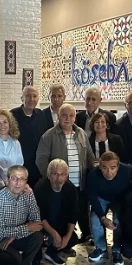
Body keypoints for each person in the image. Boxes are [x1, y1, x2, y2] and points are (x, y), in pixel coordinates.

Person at [37, 103, 96, 242]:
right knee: (61, 214)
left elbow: (89, 156)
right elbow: (41, 159)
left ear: (75, 117)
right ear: (58, 117)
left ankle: (84, 235)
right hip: (60, 185)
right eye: (64, 115)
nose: (67, 118)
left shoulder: (81, 133)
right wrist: (51, 180)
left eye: (71, 115)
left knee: (80, 211)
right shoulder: (49, 135)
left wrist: (95, 170)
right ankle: (58, 240)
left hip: (80, 182)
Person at [86, 152, 132, 265]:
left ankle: (117, 250)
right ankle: (101, 248)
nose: (108, 172)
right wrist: (102, 218)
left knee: (118, 220)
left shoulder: (128, 169)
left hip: (120, 198)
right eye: (104, 168)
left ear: (118, 167)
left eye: (112, 168)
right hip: (101, 198)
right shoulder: (93, 175)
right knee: (95, 219)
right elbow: (92, 198)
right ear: (100, 167)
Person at [0, 165, 44, 265]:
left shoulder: (28, 194)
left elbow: (37, 223)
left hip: (15, 237)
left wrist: (14, 236)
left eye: (22, 179)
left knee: (38, 237)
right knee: (14, 259)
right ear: (7, 180)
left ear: (26, 181)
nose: (18, 183)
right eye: (14, 178)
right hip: (0, 240)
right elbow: (0, 232)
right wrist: (27, 228)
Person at [34, 159, 79, 265]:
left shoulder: (70, 188)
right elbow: (40, 216)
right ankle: (41, 255)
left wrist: (66, 237)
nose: (59, 178)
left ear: (66, 176)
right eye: (55, 174)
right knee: (36, 237)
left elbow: (73, 215)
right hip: (43, 224)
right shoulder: (40, 188)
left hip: (60, 223)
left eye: (62, 174)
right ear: (49, 175)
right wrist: (54, 234)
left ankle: (51, 251)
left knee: (72, 238)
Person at [11, 86, 46, 187]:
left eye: (34, 96)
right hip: (20, 162)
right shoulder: (12, 115)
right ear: (22, 98)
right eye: (28, 96)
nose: (31, 99)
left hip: (38, 163)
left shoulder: (41, 114)